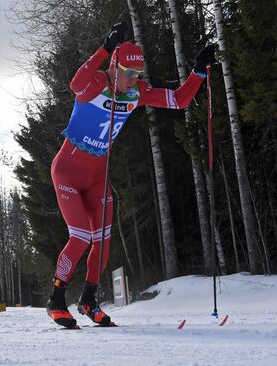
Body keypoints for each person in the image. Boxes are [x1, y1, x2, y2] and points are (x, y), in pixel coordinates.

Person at [46, 21, 215, 329]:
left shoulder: (136, 93)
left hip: (98, 176)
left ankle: (88, 300)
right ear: (114, 66)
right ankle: (56, 299)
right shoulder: (95, 84)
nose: (134, 80)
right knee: (81, 236)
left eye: (138, 74)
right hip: (68, 172)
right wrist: (105, 48)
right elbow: (75, 83)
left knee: (103, 240)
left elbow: (178, 100)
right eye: (129, 73)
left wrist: (199, 71)